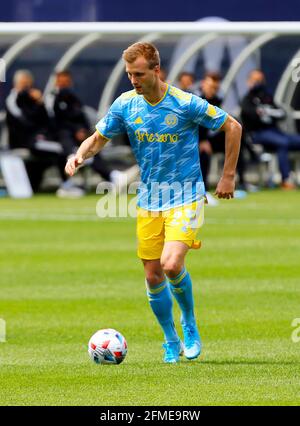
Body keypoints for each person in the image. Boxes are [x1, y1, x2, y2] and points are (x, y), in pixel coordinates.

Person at [65, 43, 241, 363]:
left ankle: (188, 323)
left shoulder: (184, 103)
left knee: (171, 264)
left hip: (187, 196)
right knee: (152, 275)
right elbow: (99, 137)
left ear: (156, 71)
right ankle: (170, 339)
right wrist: (79, 155)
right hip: (149, 201)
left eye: (139, 73)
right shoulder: (126, 105)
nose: (133, 79)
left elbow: (233, 126)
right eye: (130, 73)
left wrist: (227, 176)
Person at [46, 70, 127, 192]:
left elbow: (79, 115)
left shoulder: (72, 96)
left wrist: (81, 130)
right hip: (60, 136)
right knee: (68, 143)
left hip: (76, 135)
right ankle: (70, 176)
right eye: (61, 81)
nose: (64, 83)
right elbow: (57, 121)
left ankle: (110, 176)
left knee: (93, 148)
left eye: (66, 81)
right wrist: (75, 130)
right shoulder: (52, 98)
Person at [6, 70, 67, 192]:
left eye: (28, 84)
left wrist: (40, 102)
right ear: (16, 84)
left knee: (53, 153)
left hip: (37, 139)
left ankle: (64, 184)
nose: (27, 87)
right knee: (60, 149)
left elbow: (46, 120)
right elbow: (24, 122)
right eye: (24, 84)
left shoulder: (33, 99)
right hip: (24, 141)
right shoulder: (13, 99)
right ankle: (67, 184)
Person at [241, 69, 300, 189]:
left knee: (290, 141)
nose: (258, 83)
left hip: (276, 132)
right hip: (258, 134)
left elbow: (282, 113)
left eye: (260, 80)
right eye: (255, 80)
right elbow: (248, 116)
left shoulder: (267, 97)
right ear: (249, 82)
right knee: (282, 143)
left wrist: (269, 112)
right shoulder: (247, 100)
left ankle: (290, 179)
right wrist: (259, 113)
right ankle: (286, 180)